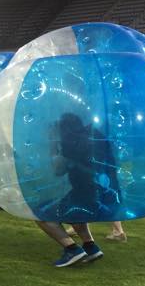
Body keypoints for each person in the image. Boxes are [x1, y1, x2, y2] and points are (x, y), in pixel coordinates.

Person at [36, 113, 119, 267]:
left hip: (87, 195)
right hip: (100, 194)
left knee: (41, 213)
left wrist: (52, 142)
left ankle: (72, 249)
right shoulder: (89, 138)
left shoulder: (72, 146)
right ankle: (90, 246)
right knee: (75, 213)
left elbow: (57, 170)